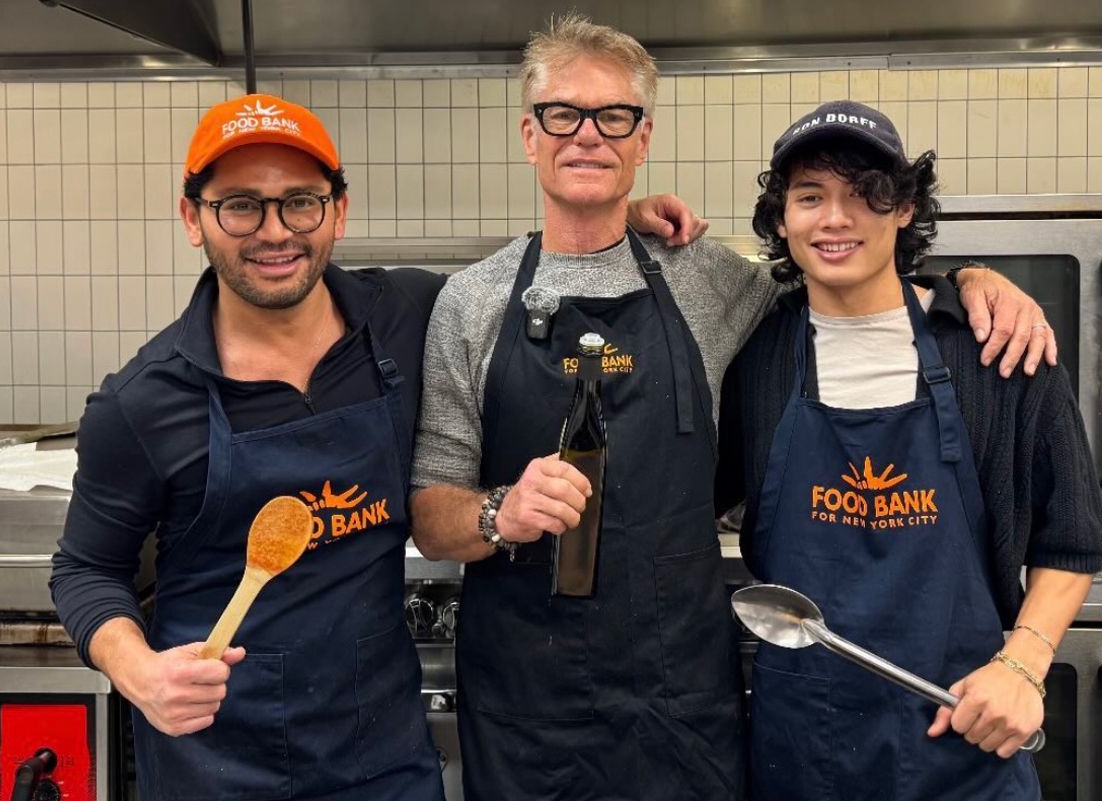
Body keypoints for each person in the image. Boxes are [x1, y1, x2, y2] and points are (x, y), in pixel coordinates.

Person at [408, 15, 1055, 801]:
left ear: (642, 139)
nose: (587, 135)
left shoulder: (711, 281)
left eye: (613, 117)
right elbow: (431, 514)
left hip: (682, 698)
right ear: (529, 134)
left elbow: (852, 275)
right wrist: (500, 512)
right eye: (563, 114)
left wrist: (972, 282)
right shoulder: (470, 302)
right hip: (524, 703)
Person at [48, 94, 448, 801]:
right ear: (192, 217)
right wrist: (138, 671)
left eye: (300, 202)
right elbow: (85, 568)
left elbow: (531, 282)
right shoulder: (141, 401)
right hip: (215, 764)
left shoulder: (407, 316)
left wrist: (624, 219)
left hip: (380, 759)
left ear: (339, 210)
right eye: (240, 205)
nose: (275, 232)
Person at [715, 101, 1102, 801]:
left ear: (904, 210)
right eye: (811, 196)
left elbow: (1073, 537)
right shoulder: (755, 358)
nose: (837, 219)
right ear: (781, 220)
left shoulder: (994, 349)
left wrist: (1023, 665)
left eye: (868, 194)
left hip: (963, 737)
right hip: (804, 750)